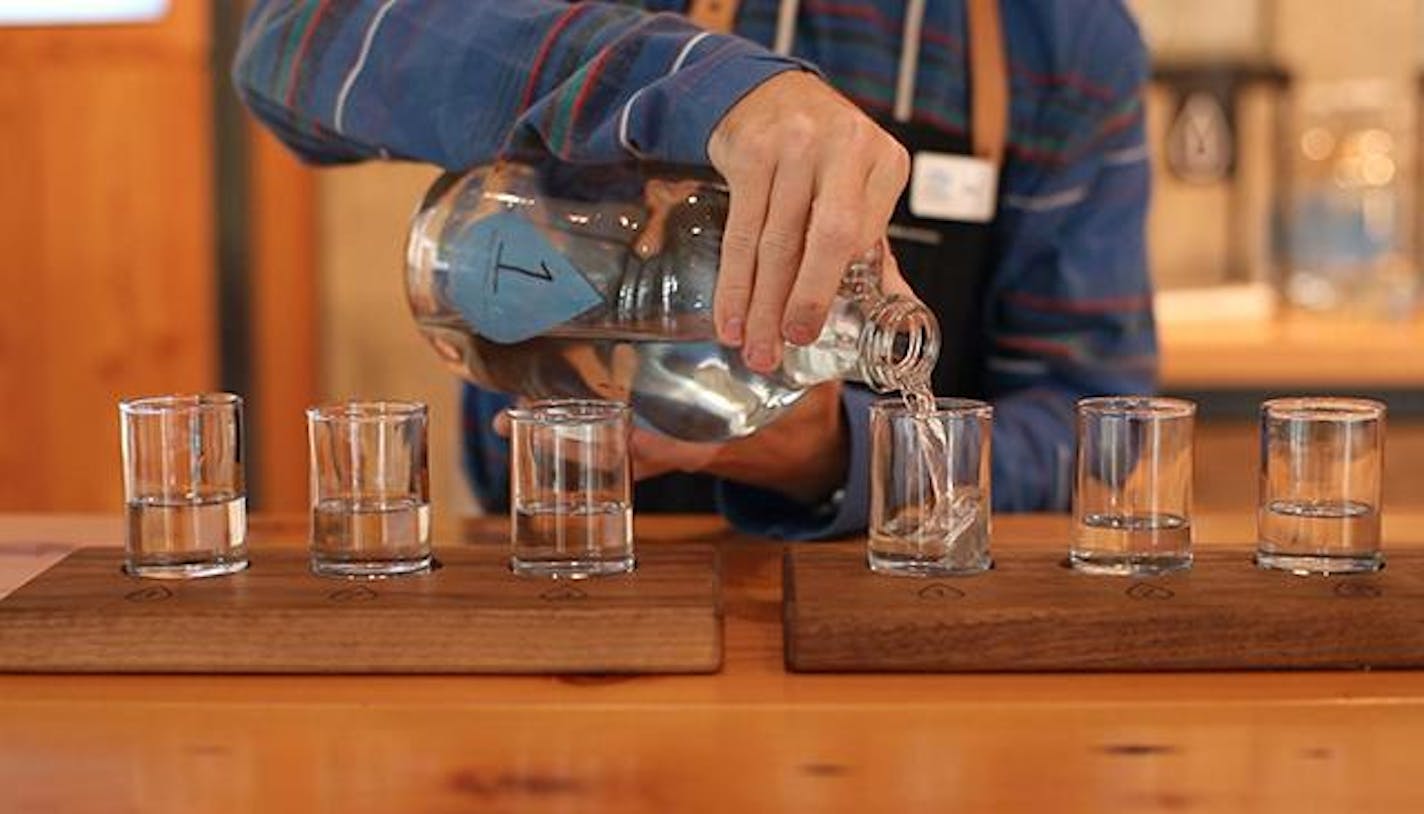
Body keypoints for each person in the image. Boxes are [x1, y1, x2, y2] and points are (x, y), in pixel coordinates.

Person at [233, 0, 1156, 539]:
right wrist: (700, 85)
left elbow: (1098, 433)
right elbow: (291, 48)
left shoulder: (1058, 37)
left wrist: (838, 456)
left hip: (878, 630)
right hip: (565, 578)